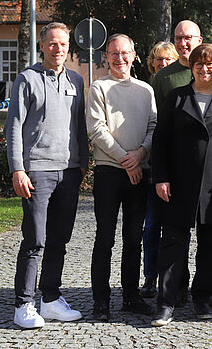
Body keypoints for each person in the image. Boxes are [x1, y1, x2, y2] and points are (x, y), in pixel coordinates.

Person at [5, 22, 88, 329]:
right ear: (42, 46)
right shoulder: (26, 79)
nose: (58, 48)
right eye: (52, 43)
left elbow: (79, 124)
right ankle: (23, 304)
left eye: (63, 44)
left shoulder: (76, 81)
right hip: (36, 171)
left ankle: (50, 300)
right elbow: (13, 127)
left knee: (59, 240)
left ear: (68, 47)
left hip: (68, 172)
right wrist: (18, 168)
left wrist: (83, 163)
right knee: (35, 240)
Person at [151, 44, 212, 326]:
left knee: (211, 244)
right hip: (178, 183)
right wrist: (160, 177)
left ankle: (203, 295)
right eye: (199, 63)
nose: (204, 68)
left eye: (210, 64)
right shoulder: (177, 98)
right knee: (173, 243)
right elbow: (160, 141)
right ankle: (166, 301)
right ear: (191, 67)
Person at [86, 33, 157, 321]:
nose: (120, 58)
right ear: (107, 56)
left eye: (125, 52)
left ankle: (130, 296)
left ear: (134, 54)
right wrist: (126, 160)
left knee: (133, 239)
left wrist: (140, 155)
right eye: (114, 53)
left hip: (139, 171)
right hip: (109, 172)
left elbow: (153, 127)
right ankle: (101, 301)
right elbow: (96, 129)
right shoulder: (98, 88)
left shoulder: (145, 90)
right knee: (105, 238)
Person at [140, 41, 179, 299]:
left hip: (177, 165)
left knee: (176, 227)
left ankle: (176, 278)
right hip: (151, 165)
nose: (162, 64)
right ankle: (150, 277)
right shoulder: (145, 91)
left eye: (167, 60)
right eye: (158, 60)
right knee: (151, 225)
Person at [152, 20, 212, 111]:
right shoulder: (163, 76)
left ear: (199, 41)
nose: (182, 43)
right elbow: (157, 116)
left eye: (187, 38)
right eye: (178, 38)